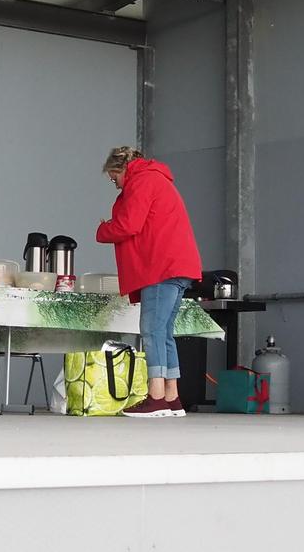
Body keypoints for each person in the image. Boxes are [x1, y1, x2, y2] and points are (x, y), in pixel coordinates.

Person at [96, 147, 202, 418]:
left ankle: (155, 397)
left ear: (121, 169)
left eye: (113, 177)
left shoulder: (142, 181)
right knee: (164, 332)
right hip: (179, 265)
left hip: (160, 265)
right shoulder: (157, 178)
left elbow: (129, 224)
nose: (114, 182)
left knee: (152, 330)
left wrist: (104, 229)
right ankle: (172, 398)